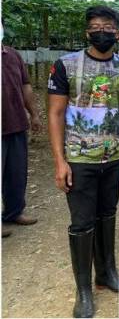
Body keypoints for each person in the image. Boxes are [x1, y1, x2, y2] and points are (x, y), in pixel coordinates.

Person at [48, 5, 119, 318]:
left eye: (107, 26)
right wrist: (60, 161)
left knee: (107, 214)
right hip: (79, 159)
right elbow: (56, 113)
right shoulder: (66, 65)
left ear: (117, 32)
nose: (101, 31)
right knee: (82, 222)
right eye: (95, 26)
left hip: (115, 157)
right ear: (87, 31)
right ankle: (84, 290)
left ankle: (107, 273)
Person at [2, 22, 41, 238]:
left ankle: (14, 212)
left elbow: (26, 85)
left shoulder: (13, 55)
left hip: (16, 123)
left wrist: (34, 113)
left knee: (16, 173)